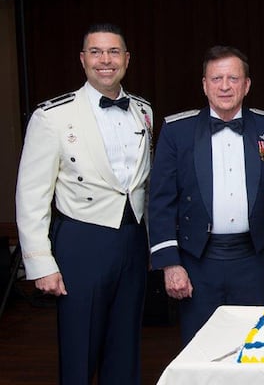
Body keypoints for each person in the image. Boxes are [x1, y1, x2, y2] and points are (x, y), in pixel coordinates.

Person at [15, 23, 153, 384]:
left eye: (113, 52)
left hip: (133, 240)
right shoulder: (52, 116)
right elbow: (31, 196)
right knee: (79, 352)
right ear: (82, 59)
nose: (105, 60)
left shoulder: (143, 110)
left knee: (125, 349)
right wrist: (40, 263)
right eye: (95, 52)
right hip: (81, 242)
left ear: (126, 59)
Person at [148, 45, 264, 344]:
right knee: (200, 347)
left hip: (252, 258)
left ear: (246, 85)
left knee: (249, 346)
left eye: (233, 78)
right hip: (196, 260)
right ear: (204, 85)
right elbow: (160, 201)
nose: (225, 86)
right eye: (216, 78)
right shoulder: (177, 130)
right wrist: (170, 263)